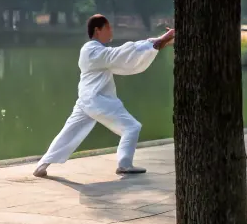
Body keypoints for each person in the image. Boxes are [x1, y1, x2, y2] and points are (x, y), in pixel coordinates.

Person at [34, 14, 175, 179]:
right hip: (96, 100)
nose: (111, 31)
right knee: (131, 127)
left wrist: (163, 40)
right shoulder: (92, 50)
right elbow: (123, 53)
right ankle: (124, 164)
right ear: (97, 30)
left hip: (85, 101)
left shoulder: (96, 51)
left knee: (69, 132)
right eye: (108, 28)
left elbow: (124, 54)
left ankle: (42, 165)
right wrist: (161, 39)